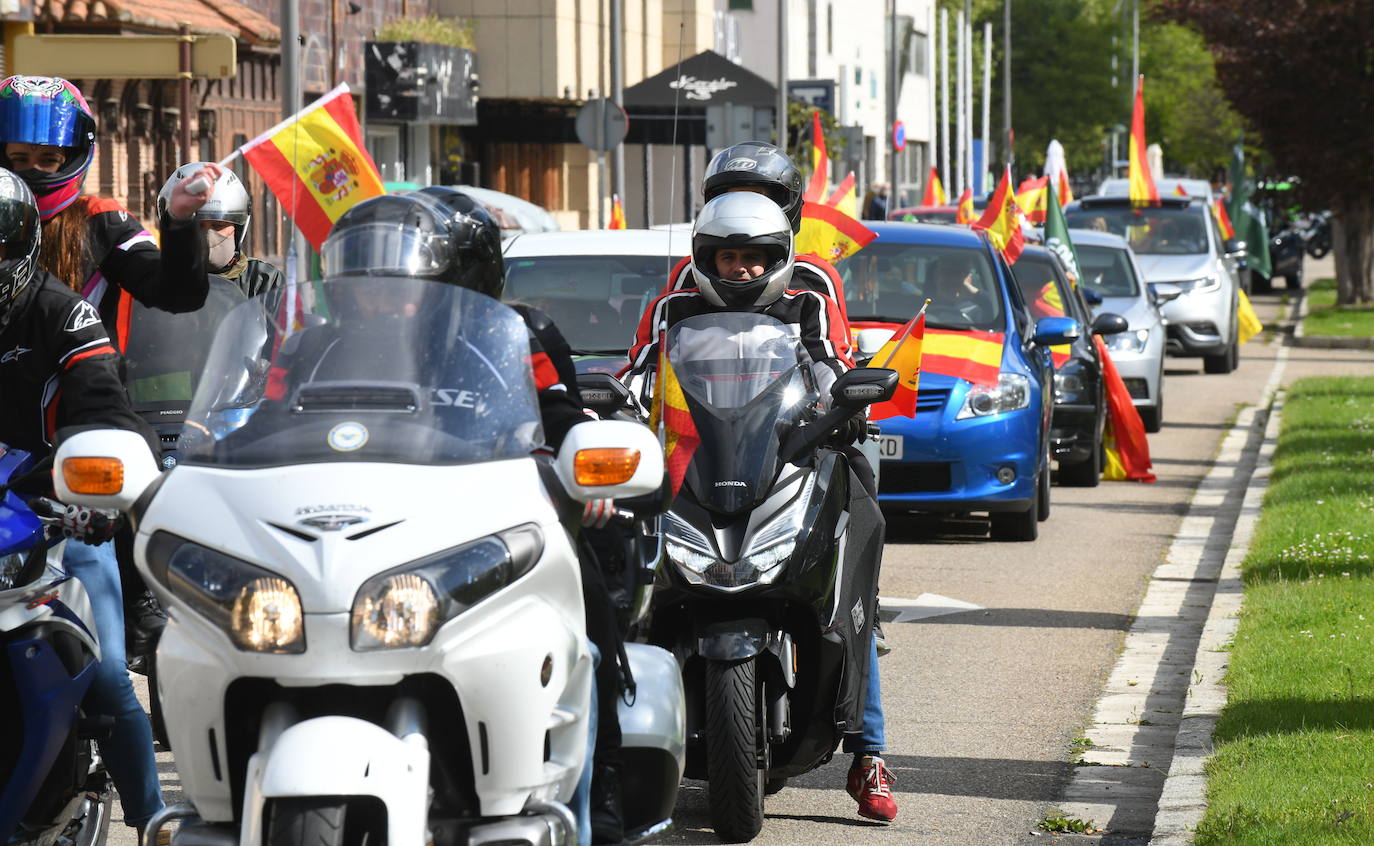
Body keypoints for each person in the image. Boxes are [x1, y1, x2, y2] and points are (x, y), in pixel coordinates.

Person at [319, 189, 624, 845]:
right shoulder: (314, 349)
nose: (379, 293)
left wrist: (580, 458)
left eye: (396, 278)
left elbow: (562, 413)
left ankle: (596, 796)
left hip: (482, 526)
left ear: (457, 279)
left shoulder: (517, 334)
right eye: (364, 279)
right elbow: (259, 427)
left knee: (587, 614)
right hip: (357, 534)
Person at [626, 191, 898, 823]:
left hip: (786, 453)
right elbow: (641, 371)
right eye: (727, 257)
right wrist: (611, 402)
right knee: (618, 573)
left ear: (779, 247)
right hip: (698, 462)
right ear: (705, 253)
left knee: (851, 587)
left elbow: (831, 366)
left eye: (753, 257)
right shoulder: (674, 302)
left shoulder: (808, 292)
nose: (741, 269)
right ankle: (604, 743)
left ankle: (869, 754)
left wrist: (845, 408)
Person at [0, 74, 216, 663]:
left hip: (80, 425)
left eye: (50, 158)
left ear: (76, 157)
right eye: (18, 159)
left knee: (116, 658)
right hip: (4, 426)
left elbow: (177, 291)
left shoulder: (105, 222)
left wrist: (179, 223)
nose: (36, 170)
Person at [0, 168, 165, 841]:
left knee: (103, 676)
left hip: (54, 514)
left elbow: (104, 404)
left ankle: (153, 817)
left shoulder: (61, 312)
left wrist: (91, 483)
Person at [647, 141, 850, 323]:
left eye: (756, 197)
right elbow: (665, 343)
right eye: (730, 198)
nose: (743, 207)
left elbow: (834, 348)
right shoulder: (691, 270)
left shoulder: (813, 274)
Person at [157, 163, 283, 301]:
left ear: (237, 228)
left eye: (218, 225)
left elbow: (291, 320)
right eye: (197, 226)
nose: (208, 236)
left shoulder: (263, 281)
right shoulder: (152, 280)